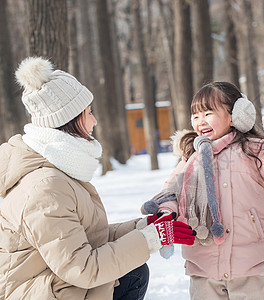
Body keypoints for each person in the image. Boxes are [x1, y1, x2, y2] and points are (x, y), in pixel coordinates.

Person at [0, 57, 195, 300]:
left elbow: (91, 240)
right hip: (39, 293)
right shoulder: (45, 187)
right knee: (131, 273)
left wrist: (144, 227)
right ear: (68, 122)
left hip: (56, 285)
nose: (94, 121)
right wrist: (150, 239)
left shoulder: (57, 171)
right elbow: (81, 268)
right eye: (88, 113)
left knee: (133, 272)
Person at [140, 81, 264, 299]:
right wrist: (165, 211)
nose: (201, 121)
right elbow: (173, 188)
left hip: (247, 260)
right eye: (196, 115)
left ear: (234, 115)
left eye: (208, 113)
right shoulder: (193, 156)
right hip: (203, 258)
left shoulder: (254, 149)